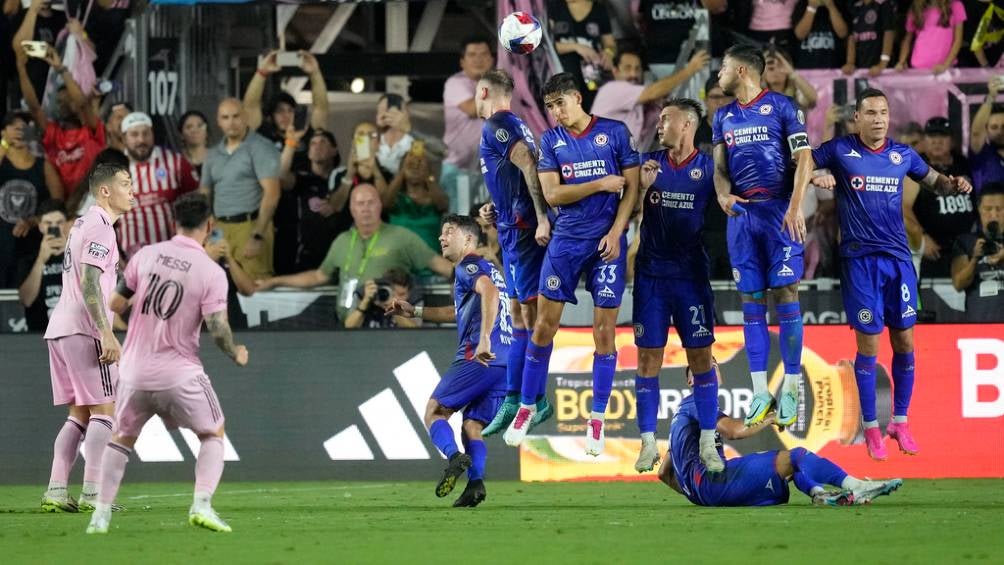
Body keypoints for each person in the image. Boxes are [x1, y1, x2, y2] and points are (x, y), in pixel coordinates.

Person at [811, 88, 972, 459]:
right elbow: (800, 162)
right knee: (868, 345)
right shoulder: (839, 150)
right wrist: (815, 177)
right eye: (870, 112)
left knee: (905, 342)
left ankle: (900, 420)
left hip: (899, 262)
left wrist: (954, 183)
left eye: (883, 112)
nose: (879, 118)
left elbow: (934, 180)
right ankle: (871, 428)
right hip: (860, 262)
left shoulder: (903, 155)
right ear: (857, 118)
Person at [85, 192, 249, 534]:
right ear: (210, 225)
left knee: (121, 439)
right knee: (212, 432)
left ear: (175, 222)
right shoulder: (211, 271)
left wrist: (124, 327)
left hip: (133, 371)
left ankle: (99, 516)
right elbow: (218, 330)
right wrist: (236, 352)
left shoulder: (145, 256)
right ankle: (202, 504)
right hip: (179, 373)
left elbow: (115, 302)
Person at [503, 72, 639, 456]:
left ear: (577, 98)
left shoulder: (614, 132)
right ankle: (527, 407)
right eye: (548, 106)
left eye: (559, 103)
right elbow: (552, 193)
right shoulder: (551, 141)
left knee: (604, 332)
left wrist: (617, 231)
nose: (555, 112)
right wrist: (598, 184)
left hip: (606, 243)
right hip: (566, 242)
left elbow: (631, 187)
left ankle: (596, 419)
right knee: (544, 326)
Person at [712, 44, 814, 429]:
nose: (718, 73)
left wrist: (795, 206)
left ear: (741, 70)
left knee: (786, 293)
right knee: (750, 300)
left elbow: (805, 157)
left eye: (723, 66)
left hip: (778, 212)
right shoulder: (722, 116)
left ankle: (790, 386)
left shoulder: (784, 107)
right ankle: (760, 392)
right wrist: (722, 193)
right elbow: (720, 168)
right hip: (741, 217)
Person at [385, 215, 510, 507]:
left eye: (449, 232)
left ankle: (454, 458)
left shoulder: (469, 265)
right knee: (473, 426)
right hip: (506, 362)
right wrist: (413, 312)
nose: (441, 238)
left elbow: (489, 293)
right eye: (441, 233)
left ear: (468, 239)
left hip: (479, 356)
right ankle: (475, 484)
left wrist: (484, 339)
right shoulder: (490, 269)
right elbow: (458, 311)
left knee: (434, 412)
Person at [40, 161, 134, 513]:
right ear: (105, 191)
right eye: (125, 184)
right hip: (84, 328)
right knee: (105, 412)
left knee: (79, 415)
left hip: (61, 328)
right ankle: (94, 493)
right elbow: (90, 283)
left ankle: (56, 488)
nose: (132, 190)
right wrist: (106, 333)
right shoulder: (100, 227)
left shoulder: (83, 223)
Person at [658, 373, 904, 507]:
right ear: (691, 380)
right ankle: (856, 486)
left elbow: (664, 472)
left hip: (706, 492)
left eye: (713, 363)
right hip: (714, 483)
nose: (712, 368)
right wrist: (771, 418)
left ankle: (820, 495)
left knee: (791, 469)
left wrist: (695, 494)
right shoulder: (698, 402)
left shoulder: (681, 415)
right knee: (796, 456)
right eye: (705, 366)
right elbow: (733, 431)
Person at [634, 99, 721, 473]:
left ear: (687, 124)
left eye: (666, 119)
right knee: (648, 357)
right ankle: (648, 443)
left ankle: (708, 442)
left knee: (701, 357)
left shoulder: (709, 167)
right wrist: (641, 189)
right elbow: (630, 218)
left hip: (691, 276)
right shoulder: (647, 165)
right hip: (651, 275)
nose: (659, 126)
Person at [471, 69, 552, 437]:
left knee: (530, 316)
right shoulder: (513, 123)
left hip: (522, 232)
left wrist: (539, 217)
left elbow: (529, 165)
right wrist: (494, 207)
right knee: (520, 313)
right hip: (510, 227)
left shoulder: (497, 124)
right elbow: (513, 176)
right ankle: (516, 396)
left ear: (485, 90)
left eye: (476, 93)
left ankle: (533, 399)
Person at [255, 184, 452, 320]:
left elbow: (440, 265)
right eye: (360, 203)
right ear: (351, 208)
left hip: (387, 325)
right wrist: (276, 281)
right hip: (348, 325)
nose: (365, 208)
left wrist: (474, 277)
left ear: (379, 205)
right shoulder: (342, 240)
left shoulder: (402, 237)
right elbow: (318, 276)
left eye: (370, 202)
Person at [199, 98, 281, 280]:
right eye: (225, 117)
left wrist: (258, 235)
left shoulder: (261, 147)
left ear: (246, 117)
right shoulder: (212, 154)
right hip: (219, 227)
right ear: (218, 121)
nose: (231, 122)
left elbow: (272, 194)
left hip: (250, 226)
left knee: (255, 287)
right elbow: (204, 193)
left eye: (236, 116)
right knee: (214, 286)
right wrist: (207, 229)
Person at [16, 43, 104, 196]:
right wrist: (22, 69)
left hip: (92, 202)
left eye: (67, 101)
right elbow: (35, 109)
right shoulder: (53, 135)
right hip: (63, 206)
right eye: (59, 102)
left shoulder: (91, 130)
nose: (61, 105)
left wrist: (61, 68)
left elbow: (83, 104)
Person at [591, 48, 710, 152]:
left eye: (637, 69)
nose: (634, 74)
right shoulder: (611, 89)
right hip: (605, 166)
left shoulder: (640, 102)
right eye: (627, 68)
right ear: (615, 71)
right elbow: (654, 92)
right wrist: (690, 69)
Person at [117, 111, 200, 259]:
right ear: (124, 138)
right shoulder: (112, 169)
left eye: (146, 133)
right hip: (130, 260)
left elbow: (196, 204)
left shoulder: (175, 162)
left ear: (153, 134)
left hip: (172, 256)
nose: (141, 139)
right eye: (134, 134)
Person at [905, 116, 974, 278]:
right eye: (932, 136)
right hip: (934, 253)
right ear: (924, 140)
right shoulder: (917, 166)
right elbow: (902, 208)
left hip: (965, 250)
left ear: (952, 140)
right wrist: (921, 239)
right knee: (933, 301)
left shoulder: (961, 162)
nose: (937, 141)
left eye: (942, 136)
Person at [0, 110, 63, 287]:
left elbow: (58, 205)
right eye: (13, 127)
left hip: (33, 249)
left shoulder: (43, 166)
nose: (19, 131)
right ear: (3, 131)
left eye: (23, 128)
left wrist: (33, 221)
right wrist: (4, 143)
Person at [442, 36, 494, 212]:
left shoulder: (500, 84)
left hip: (487, 170)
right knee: (461, 224)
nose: (478, 59)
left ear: (492, 59)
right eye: (472, 55)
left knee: (487, 222)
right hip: (459, 169)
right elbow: (474, 109)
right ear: (462, 62)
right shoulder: (454, 83)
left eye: (484, 54)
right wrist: (488, 80)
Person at [279, 129, 343, 272]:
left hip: (341, 254)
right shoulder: (303, 179)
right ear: (308, 152)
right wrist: (290, 143)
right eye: (312, 143)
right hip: (308, 257)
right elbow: (281, 177)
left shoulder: (343, 179)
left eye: (323, 142)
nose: (317, 146)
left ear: (334, 150)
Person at [549, 0, 616, 110]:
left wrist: (608, 53)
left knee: (594, 113)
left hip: (593, 76)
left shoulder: (599, 10)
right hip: (562, 74)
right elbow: (547, 45)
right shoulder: (554, 7)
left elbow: (609, 43)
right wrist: (576, 47)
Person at [951, 183, 1004, 322]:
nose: (993, 215)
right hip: (978, 324)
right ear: (979, 209)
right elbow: (958, 284)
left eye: (999, 209)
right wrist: (975, 259)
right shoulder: (966, 241)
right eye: (988, 209)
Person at [385, 147, 449, 250]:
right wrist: (403, 170)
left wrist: (427, 174)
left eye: (419, 165)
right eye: (410, 165)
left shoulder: (435, 198)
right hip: (401, 260)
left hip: (431, 260)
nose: (415, 168)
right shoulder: (396, 199)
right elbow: (385, 204)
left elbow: (443, 205)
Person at [17, 199, 67, 331]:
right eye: (48, 223)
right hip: (38, 337)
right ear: (40, 226)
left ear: (67, 225)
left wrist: (70, 254)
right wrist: (41, 260)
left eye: (59, 223)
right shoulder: (28, 260)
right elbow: (26, 299)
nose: (54, 227)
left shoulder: (80, 256)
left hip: (75, 333)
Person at [895, 0, 967, 73]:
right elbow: (907, 39)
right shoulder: (916, 8)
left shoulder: (956, 5)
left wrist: (945, 65)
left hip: (946, 68)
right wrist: (901, 61)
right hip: (918, 67)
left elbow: (958, 40)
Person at [344, 268, 421, 329]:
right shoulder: (367, 294)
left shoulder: (414, 300)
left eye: (401, 294)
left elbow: (415, 333)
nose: (396, 298)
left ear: (409, 293)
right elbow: (349, 328)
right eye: (392, 293)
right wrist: (365, 302)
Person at [842, 0, 896, 77]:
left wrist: (883, 63)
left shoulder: (883, 4)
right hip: (862, 66)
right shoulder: (855, 7)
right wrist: (850, 62)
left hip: (881, 68)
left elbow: (889, 33)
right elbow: (852, 37)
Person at [969, 78, 1004, 193]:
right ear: (987, 130)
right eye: (994, 127)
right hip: (988, 210)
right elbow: (976, 133)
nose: (1000, 131)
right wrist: (991, 97)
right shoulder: (982, 153)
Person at [792, 0, 849, 69]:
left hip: (833, 67)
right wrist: (812, 8)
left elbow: (842, 33)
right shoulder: (802, 5)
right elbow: (800, 34)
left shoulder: (839, 5)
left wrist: (831, 7)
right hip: (806, 68)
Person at [178, 110, 210, 179]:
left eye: (200, 126)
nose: (195, 130)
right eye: (189, 127)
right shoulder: (176, 161)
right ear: (181, 135)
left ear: (206, 132)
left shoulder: (219, 159)